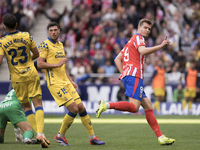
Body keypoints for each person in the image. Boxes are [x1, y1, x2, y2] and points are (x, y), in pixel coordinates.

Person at [96, 19, 175, 145]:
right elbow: (143, 51)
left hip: (131, 76)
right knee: (134, 108)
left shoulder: (129, 43)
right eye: (145, 27)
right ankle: (107, 105)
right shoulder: (138, 38)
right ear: (139, 28)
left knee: (148, 106)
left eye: (149, 29)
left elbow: (117, 59)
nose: (147, 30)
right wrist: (161, 46)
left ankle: (160, 137)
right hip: (135, 76)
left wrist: (124, 73)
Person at [37, 22, 105, 146]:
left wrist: (70, 80)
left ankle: (92, 137)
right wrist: (56, 65)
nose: (53, 32)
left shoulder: (60, 45)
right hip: (55, 83)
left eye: (55, 30)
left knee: (82, 108)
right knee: (74, 108)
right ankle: (60, 136)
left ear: (59, 31)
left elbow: (62, 66)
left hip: (65, 81)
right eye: (51, 30)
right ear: (48, 32)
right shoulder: (44, 45)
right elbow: (40, 64)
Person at [0, 14, 49, 148]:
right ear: (16, 24)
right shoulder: (27, 36)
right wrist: (28, 60)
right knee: (38, 103)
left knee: (27, 107)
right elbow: (37, 54)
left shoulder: (2, 41)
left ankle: (40, 134)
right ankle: (40, 133)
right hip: (31, 73)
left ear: (5, 26)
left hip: (17, 78)